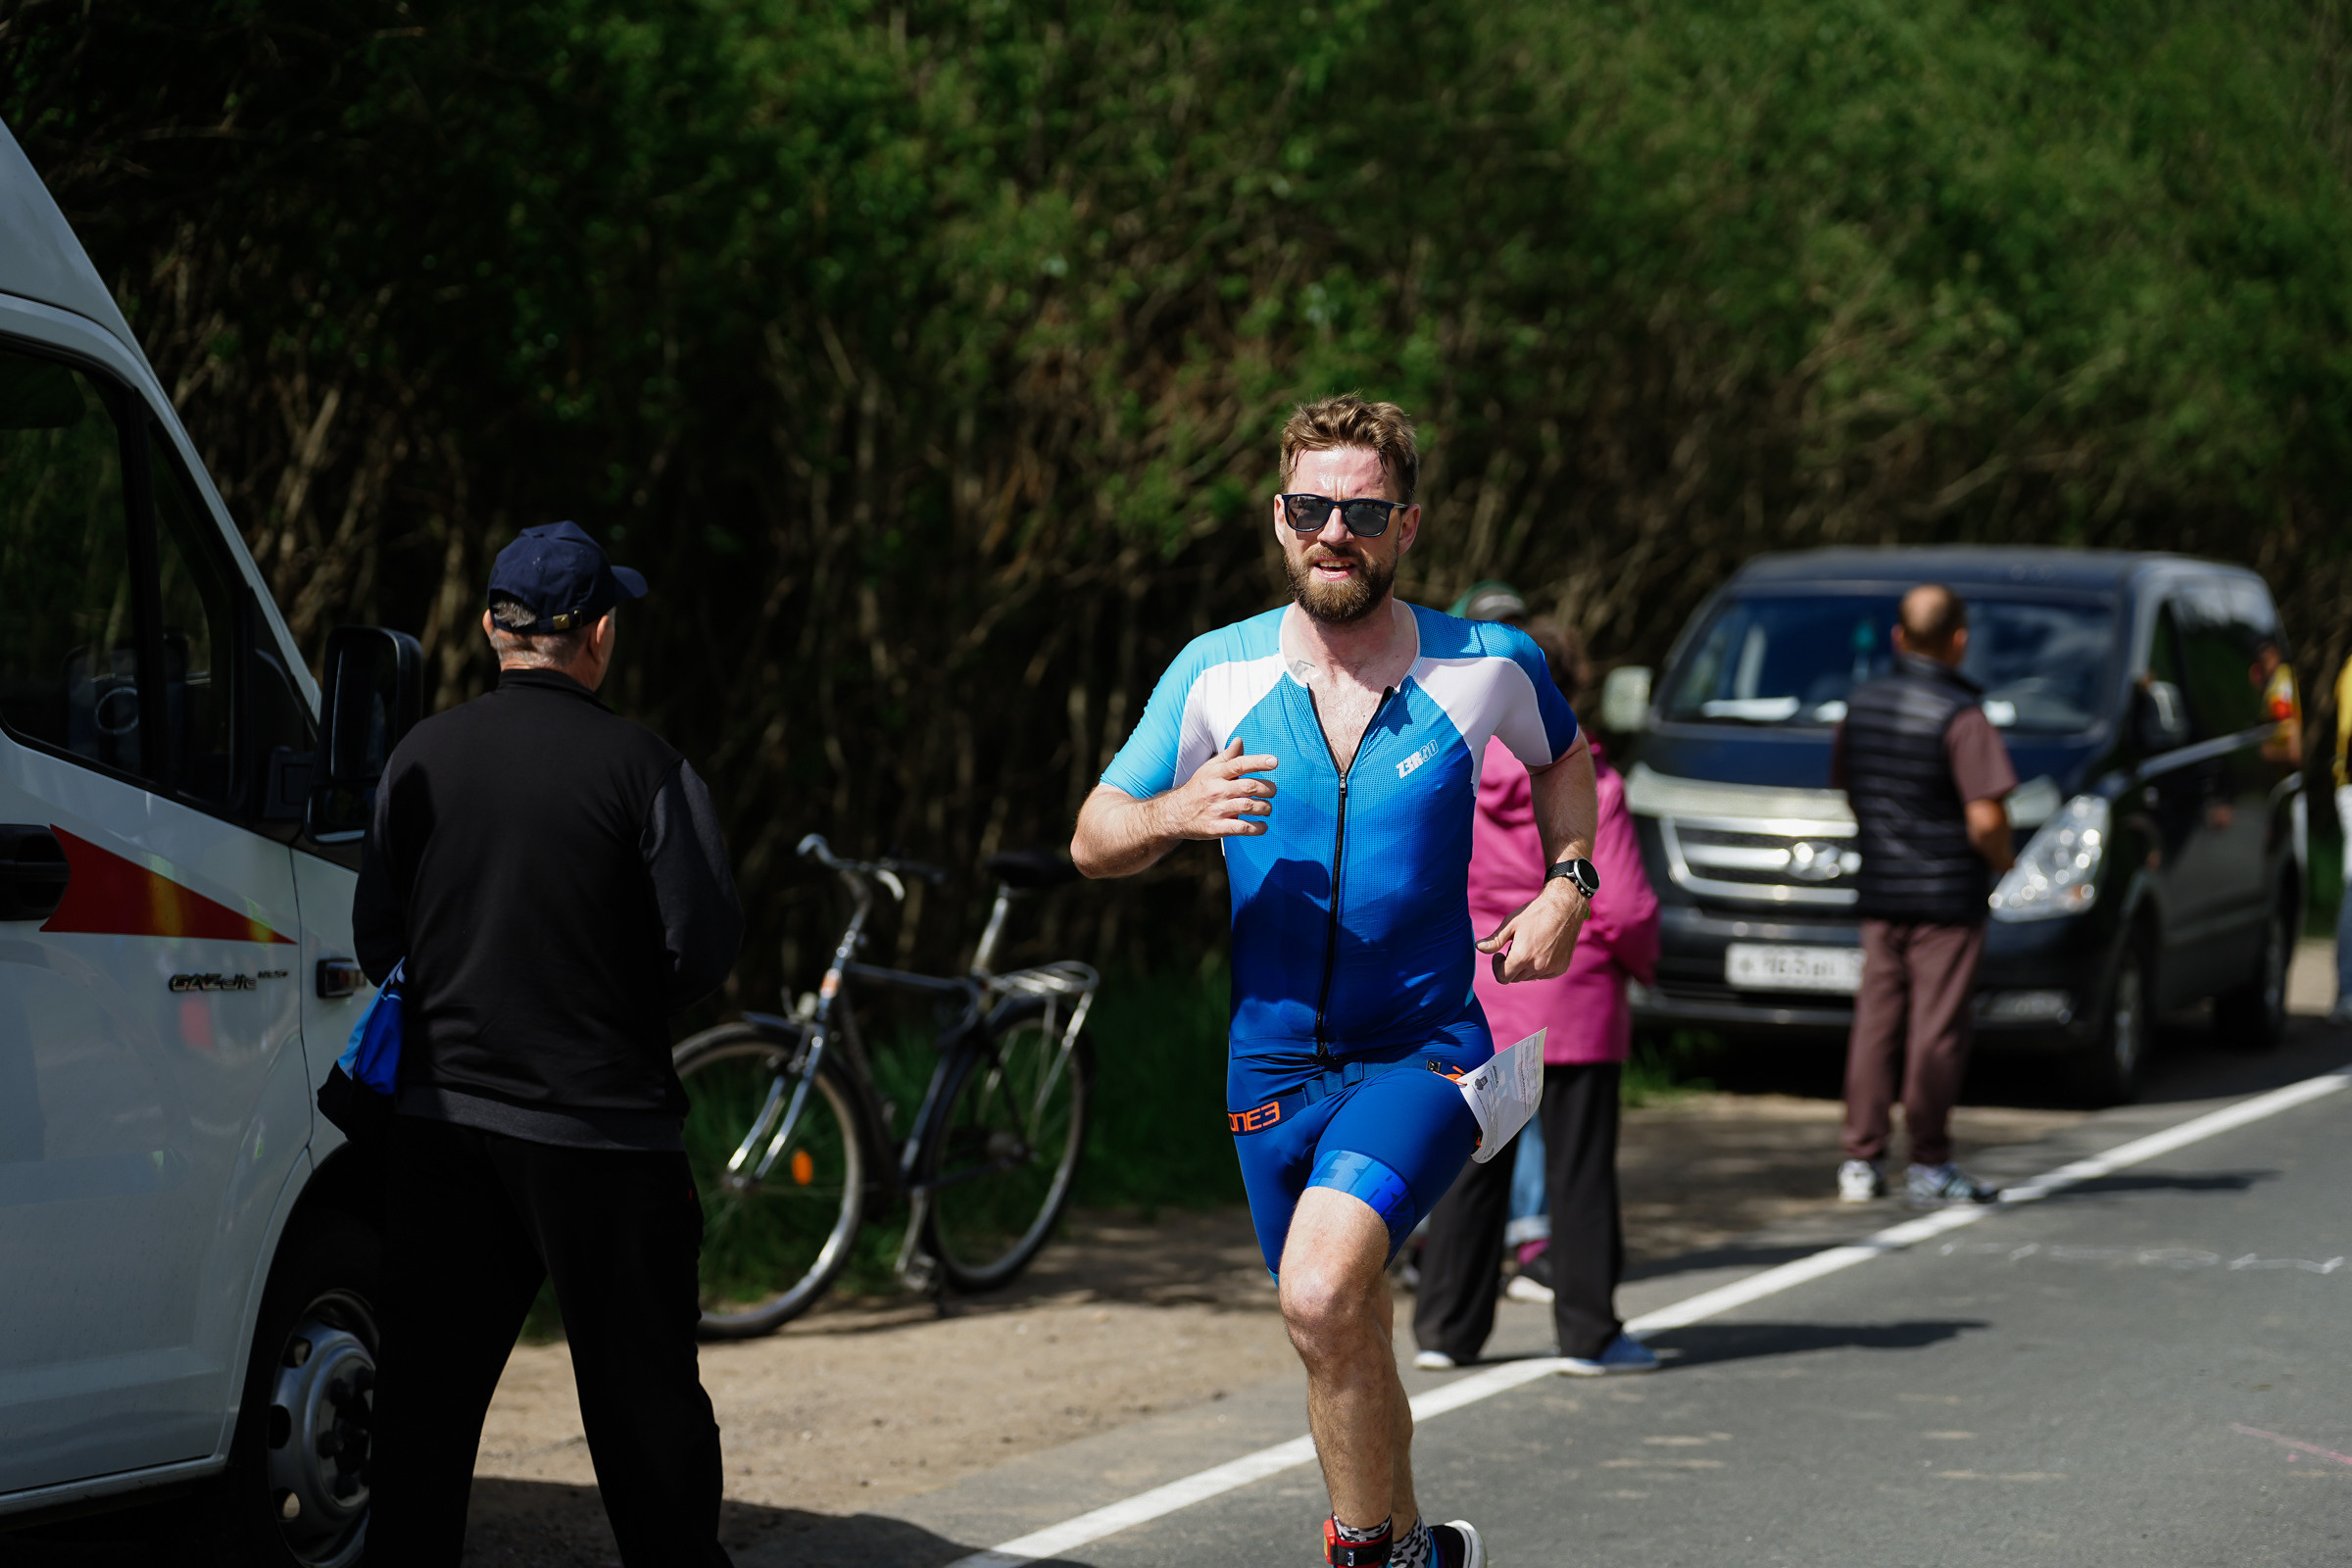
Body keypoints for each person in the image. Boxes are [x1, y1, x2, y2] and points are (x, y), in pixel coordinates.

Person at [1072, 395, 1598, 1568]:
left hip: (1422, 1046)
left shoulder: (1489, 662)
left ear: (1405, 524)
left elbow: (1568, 760)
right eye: (1311, 509)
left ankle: (1362, 1553)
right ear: (1279, 519)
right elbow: (1092, 835)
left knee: (1317, 1292)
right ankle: (1415, 1547)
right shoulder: (1217, 670)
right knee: (1345, 1319)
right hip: (1269, 1063)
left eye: (1362, 512)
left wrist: (1568, 885)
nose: (1334, 533)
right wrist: (1172, 812)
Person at [355, 520, 744, 1568]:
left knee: (424, 1415)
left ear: (491, 626)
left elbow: (377, 935)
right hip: (603, 1134)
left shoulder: (418, 756)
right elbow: (701, 946)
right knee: (643, 1406)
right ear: (601, 634)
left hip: (442, 1126)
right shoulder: (645, 766)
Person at [1410, 617, 1660, 1375]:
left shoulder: (1452, 773)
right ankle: (1587, 1333)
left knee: (1473, 1163)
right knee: (1578, 1172)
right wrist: (1645, 967)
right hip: (1575, 1007)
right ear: (1571, 689)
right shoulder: (1596, 784)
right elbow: (1624, 909)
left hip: (1480, 996)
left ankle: (1447, 1330)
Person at [1832, 583, 2016, 1207]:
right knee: (1935, 1031)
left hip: (1881, 890)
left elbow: (1851, 788)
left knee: (1876, 1025)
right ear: (1959, 640)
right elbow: (1986, 820)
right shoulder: (1963, 716)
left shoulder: (1861, 704)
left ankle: (1860, 1159)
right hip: (1947, 897)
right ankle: (1931, 1163)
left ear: (1898, 637)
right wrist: (2005, 864)